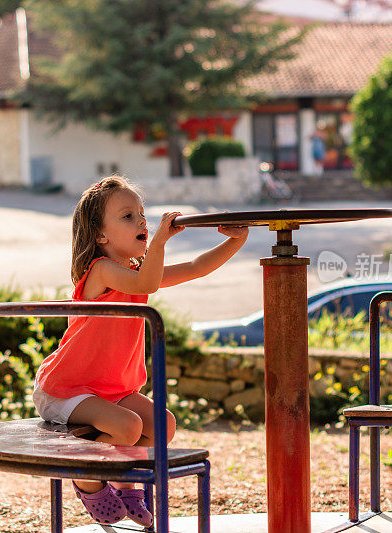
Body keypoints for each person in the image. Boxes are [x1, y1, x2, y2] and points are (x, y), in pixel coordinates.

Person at [32, 175, 248, 526]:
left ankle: (122, 478)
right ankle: (85, 477)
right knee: (129, 427)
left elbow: (194, 268)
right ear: (101, 236)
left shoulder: (135, 271)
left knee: (162, 424)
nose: (142, 221)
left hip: (108, 389)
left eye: (142, 214)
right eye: (128, 216)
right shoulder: (101, 271)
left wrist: (236, 243)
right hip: (65, 389)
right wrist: (160, 239)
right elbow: (146, 283)